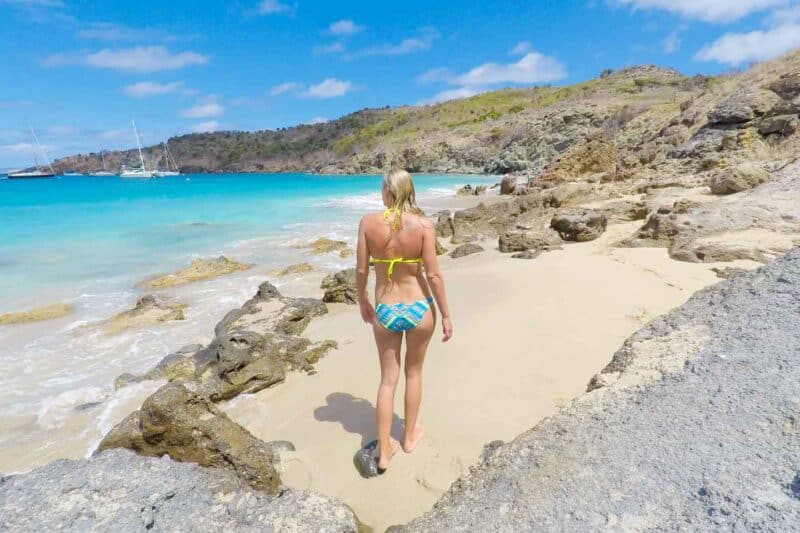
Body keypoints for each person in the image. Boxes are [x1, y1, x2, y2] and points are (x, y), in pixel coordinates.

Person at [355, 168, 453, 474]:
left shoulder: (368, 223)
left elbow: (361, 270)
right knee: (414, 373)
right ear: (409, 190)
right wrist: (447, 314)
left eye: (382, 188)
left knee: (388, 379)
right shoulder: (424, 225)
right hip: (419, 307)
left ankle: (384, 452)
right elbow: (434, 275)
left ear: (388, 191)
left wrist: (363, 301)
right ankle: (409, 437)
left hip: (385, 309)